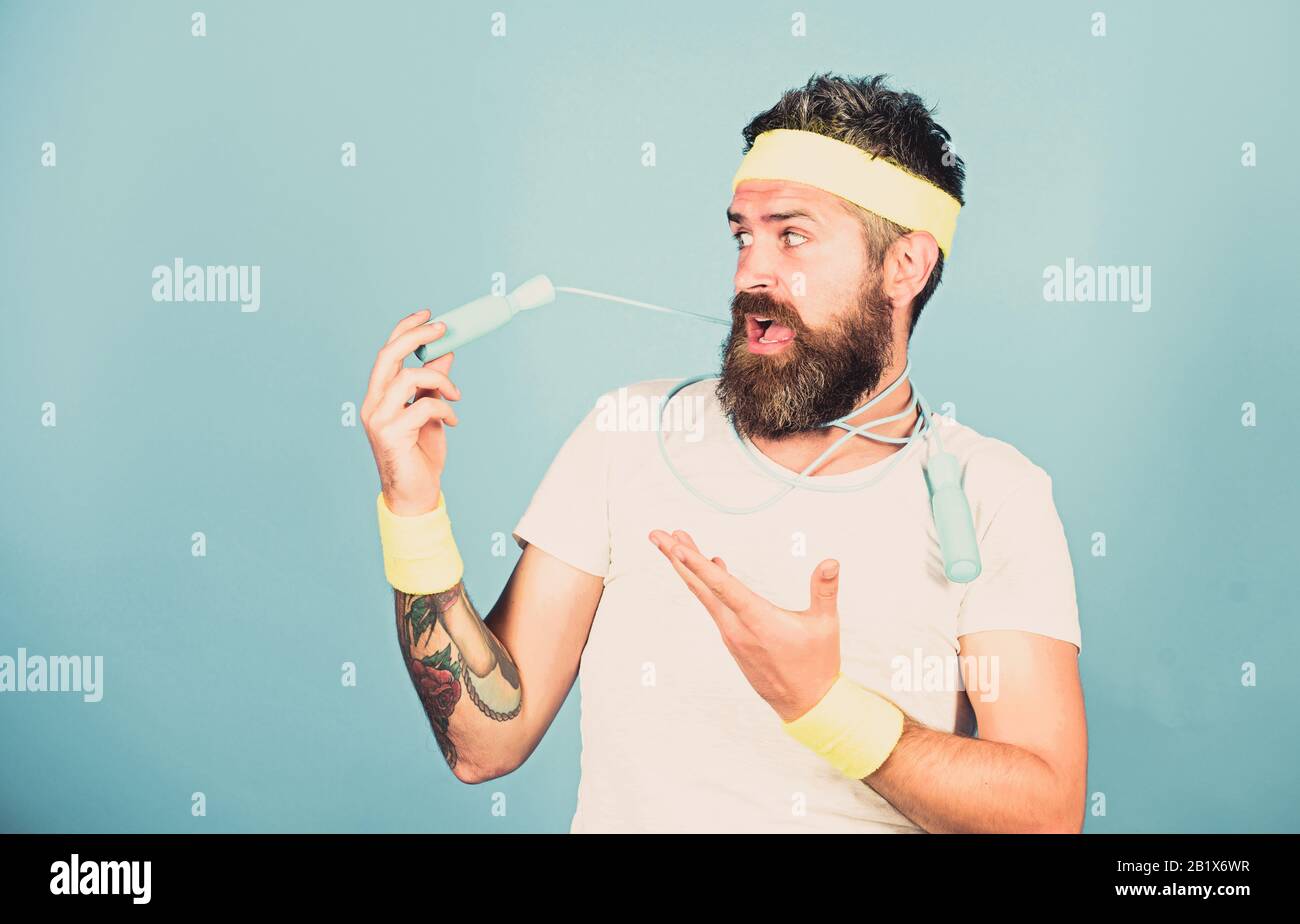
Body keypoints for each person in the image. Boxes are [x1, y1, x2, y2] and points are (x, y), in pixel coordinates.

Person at [361, 72, 1087, 834]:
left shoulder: (992, 494)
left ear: (905, 266)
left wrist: (822, 707)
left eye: (792, 234)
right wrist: (414, 511)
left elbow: (1044, 815)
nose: (751, 273)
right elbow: (485, 743)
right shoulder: (627, 432)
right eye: (743, 234)